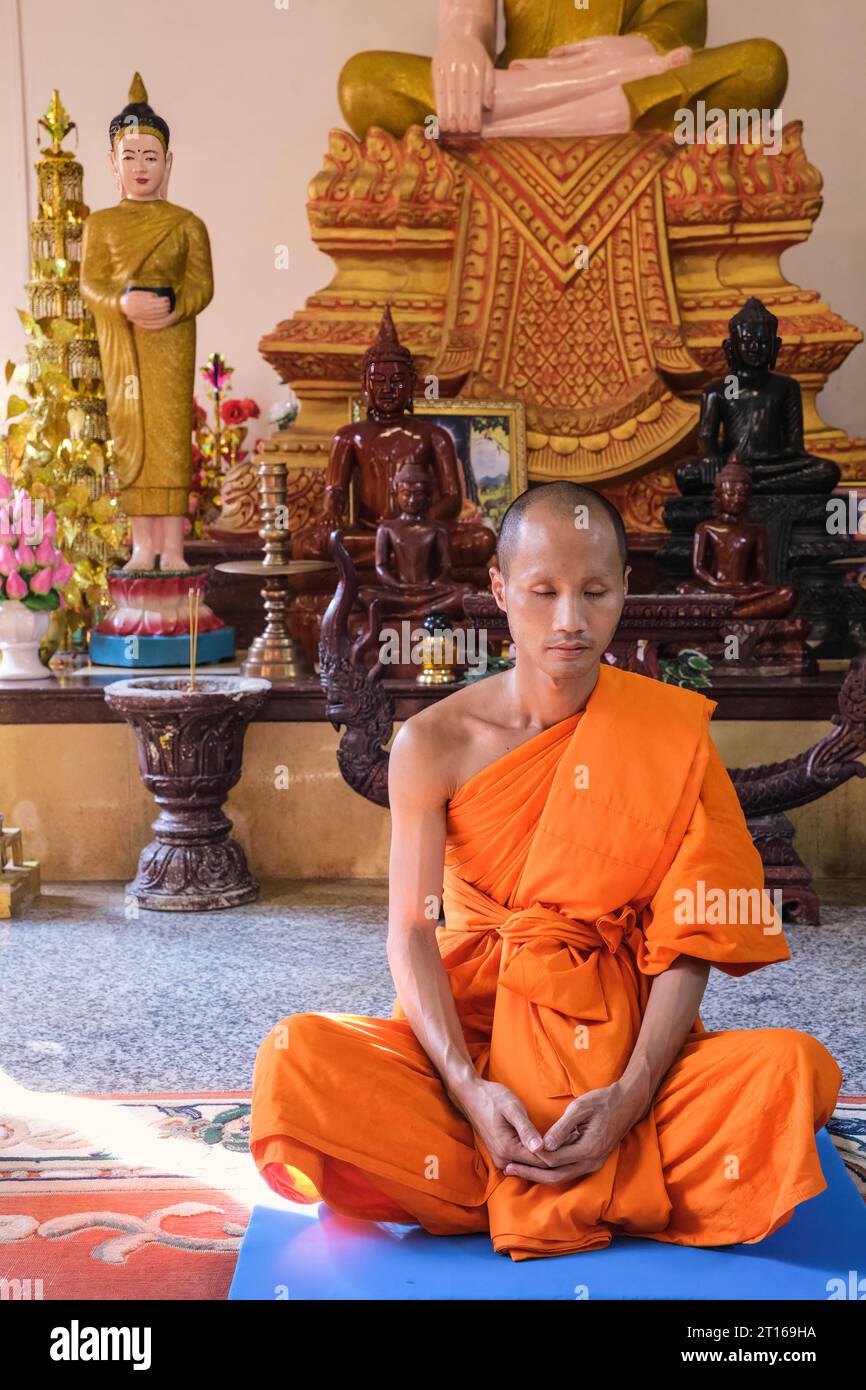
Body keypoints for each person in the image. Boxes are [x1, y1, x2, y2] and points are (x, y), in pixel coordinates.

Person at [250, 480, 841, 1261]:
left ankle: (500, 1178)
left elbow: (691, 941)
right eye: (543, 591)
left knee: (792, 1071)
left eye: (595, 591)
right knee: (298, 1058)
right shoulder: (433, 743)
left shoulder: (668, 734)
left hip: (624, 1047)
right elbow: (411, 932)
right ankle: (550, 1162)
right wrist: (468, 1086)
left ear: (626, 589)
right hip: (476, 1043)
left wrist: (629, 1098)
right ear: (499, 589)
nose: (570, 620)